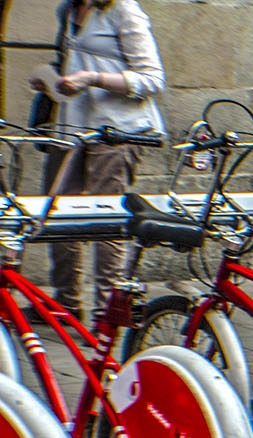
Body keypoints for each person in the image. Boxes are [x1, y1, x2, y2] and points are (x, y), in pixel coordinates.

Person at [27, 0, 165, 321]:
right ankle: (65, 303)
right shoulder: (66, 10)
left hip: (116, 132)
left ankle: (107, 312)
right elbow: (73, 62)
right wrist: (52, 81)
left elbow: (153, 78)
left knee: (108, 223)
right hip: (70, 128)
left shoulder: (123, 10)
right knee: (58, 214)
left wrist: (92, 78)